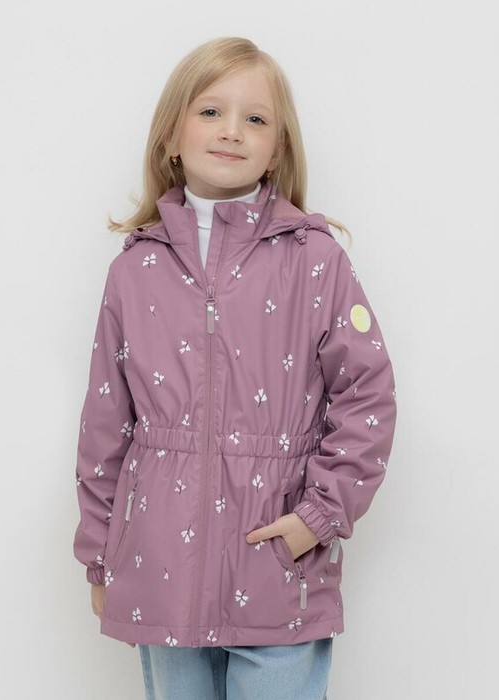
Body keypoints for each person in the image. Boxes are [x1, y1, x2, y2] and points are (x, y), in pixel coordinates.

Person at [73, 35, 397, 700]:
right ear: (171, 135)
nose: (231, 131)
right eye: (210, 111)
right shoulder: (135, 269)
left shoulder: (314, 259)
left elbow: (366, 396)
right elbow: (106, 421)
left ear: (277, 149)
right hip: (161, 562)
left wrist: (317, 517)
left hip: (277, 564)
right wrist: (101, 555)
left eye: (255, 118)